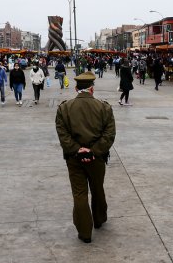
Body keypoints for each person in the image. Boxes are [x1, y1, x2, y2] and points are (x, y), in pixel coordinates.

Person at [55, 72, 116, 243]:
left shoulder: (64, 108)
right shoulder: (104, 107)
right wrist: (94, 151)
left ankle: (85, 232)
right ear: (92, 88)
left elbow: (63, 133)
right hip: (97, 158)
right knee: (97, 189)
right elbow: (109, 134)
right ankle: (98, 219)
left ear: (76, 88)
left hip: (74, 158)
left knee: (80, 194)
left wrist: (77, 149)